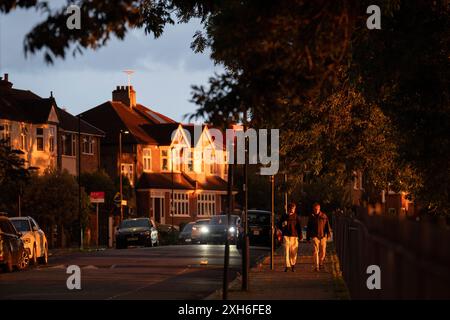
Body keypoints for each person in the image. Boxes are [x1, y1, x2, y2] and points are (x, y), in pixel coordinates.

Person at [307, 202, 332, 271]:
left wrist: (329, 234)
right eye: (315, 209)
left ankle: (321, 263)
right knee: (315, 251)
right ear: (313, 209)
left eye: (317, 209)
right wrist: (307, 237)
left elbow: (327, 225)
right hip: (315, 236)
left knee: (323, 252)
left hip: (323, 236)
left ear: (319, 208)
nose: (316, 210)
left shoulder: (324, 216)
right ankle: (316, 266)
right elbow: (308, 227)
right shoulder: (311, 217)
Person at [278, 202, 302, 272]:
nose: (292, 210)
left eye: (294, 209)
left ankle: (293, 264)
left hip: (294, 236)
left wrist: (300, 236)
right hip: (286, 236)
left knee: (293, 252)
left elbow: (299, 227)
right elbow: (279, 225)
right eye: (291, 209)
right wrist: (282, 226)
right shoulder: (284, 216)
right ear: (288, 209)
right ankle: (287, 266)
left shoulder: (296, 217)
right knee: (286, 251)